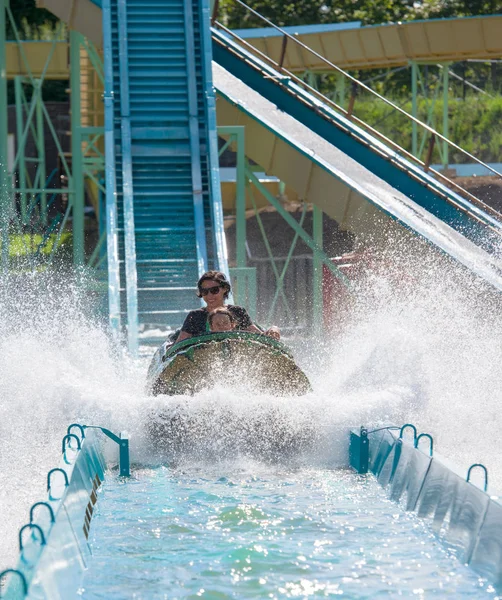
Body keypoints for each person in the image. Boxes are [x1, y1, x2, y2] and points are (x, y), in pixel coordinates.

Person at [175, 270, 280, 342]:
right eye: (204, 291)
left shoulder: (237, 312)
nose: (210, 295)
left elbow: (261, 336)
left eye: (214, 290)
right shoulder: (195, 316)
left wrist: (274, 329)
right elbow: (178, 345)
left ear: (224, 289)